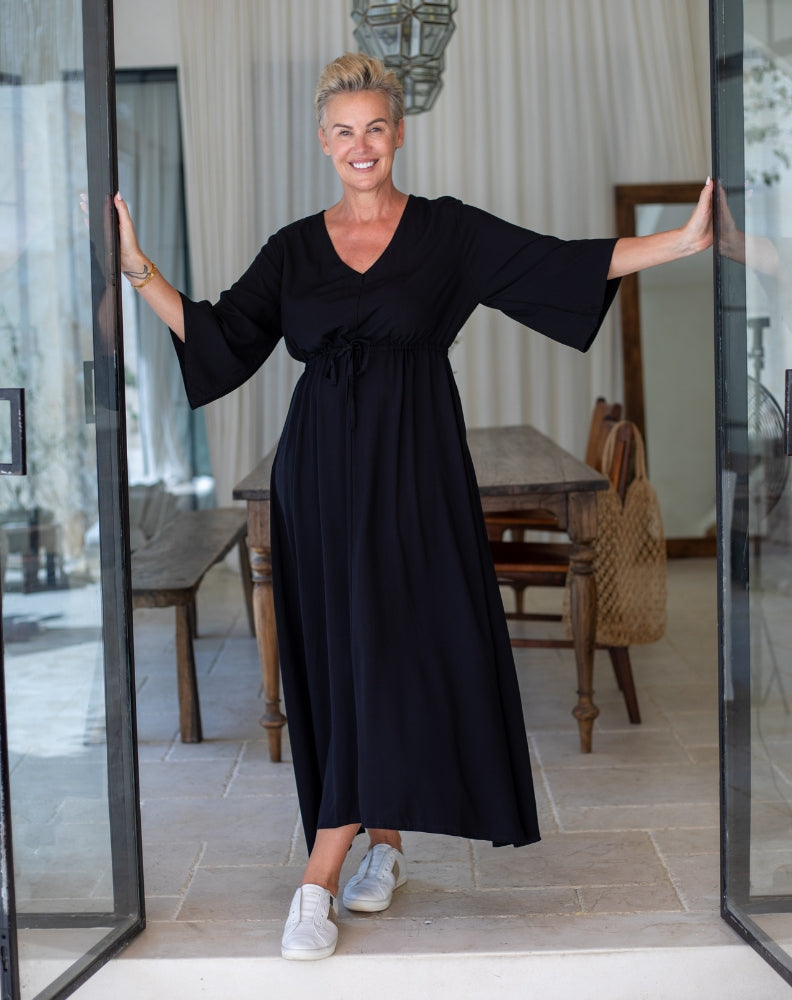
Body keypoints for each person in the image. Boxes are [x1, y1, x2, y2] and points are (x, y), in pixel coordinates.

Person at [115, 52, 713, 962]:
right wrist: (138, 269)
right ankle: (380, 843)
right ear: (324, 142)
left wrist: (679, 240)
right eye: (343, 131)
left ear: (398, 133)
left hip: (417, 471)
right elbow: (224, 335)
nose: (361, 145)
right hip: (318, 477)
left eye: (375, 128)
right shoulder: (292, 249)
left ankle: (319, 875)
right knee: (341, 656)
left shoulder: (447, 233)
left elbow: (557, 264)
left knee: (399, 647)